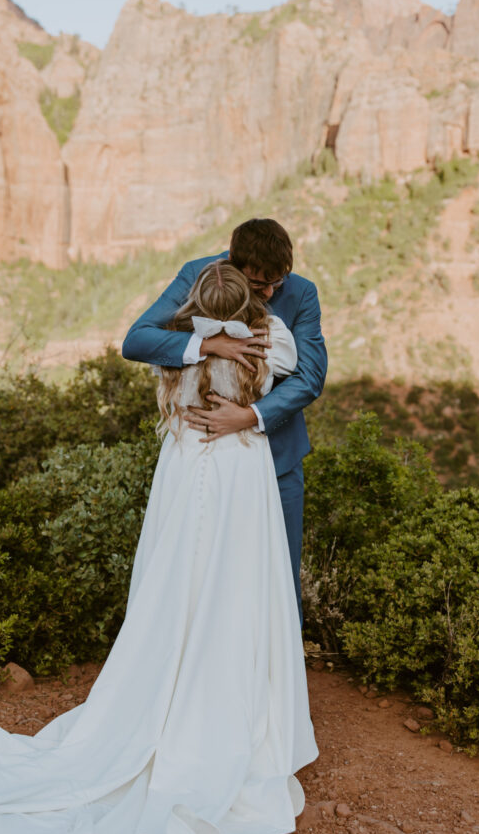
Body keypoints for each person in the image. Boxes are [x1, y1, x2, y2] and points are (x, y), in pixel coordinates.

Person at [0, 259, 319, 834]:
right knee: (237, 586)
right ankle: (231, 700)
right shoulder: (270, 339)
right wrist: (248, 334)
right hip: (242, 470)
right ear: (250, 294)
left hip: (187, 461)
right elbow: (297, 369)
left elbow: (162, 343)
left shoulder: (179, 350)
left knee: (175, 578)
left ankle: (163, 683)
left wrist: (201, 336)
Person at [122, 217, 328, 627]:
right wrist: (207, 344)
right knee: (203, 573)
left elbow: (311, 376)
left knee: (278, 580)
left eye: (278, 282)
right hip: (205, 463)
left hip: (277, 458)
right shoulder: (197, 274)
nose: (270, 293)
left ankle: (275, 681)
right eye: (259, 285)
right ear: (234, 264)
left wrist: (250, 416)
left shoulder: (302, 293)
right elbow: (137, 339)